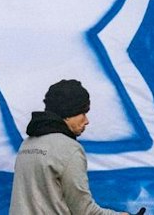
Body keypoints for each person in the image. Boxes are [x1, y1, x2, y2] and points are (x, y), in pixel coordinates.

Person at [8, 78, 142, 215]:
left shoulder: (27, 144)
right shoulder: (69, 148)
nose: (87, 121)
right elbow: (83, 211)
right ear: (67, 113)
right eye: (83, 113)